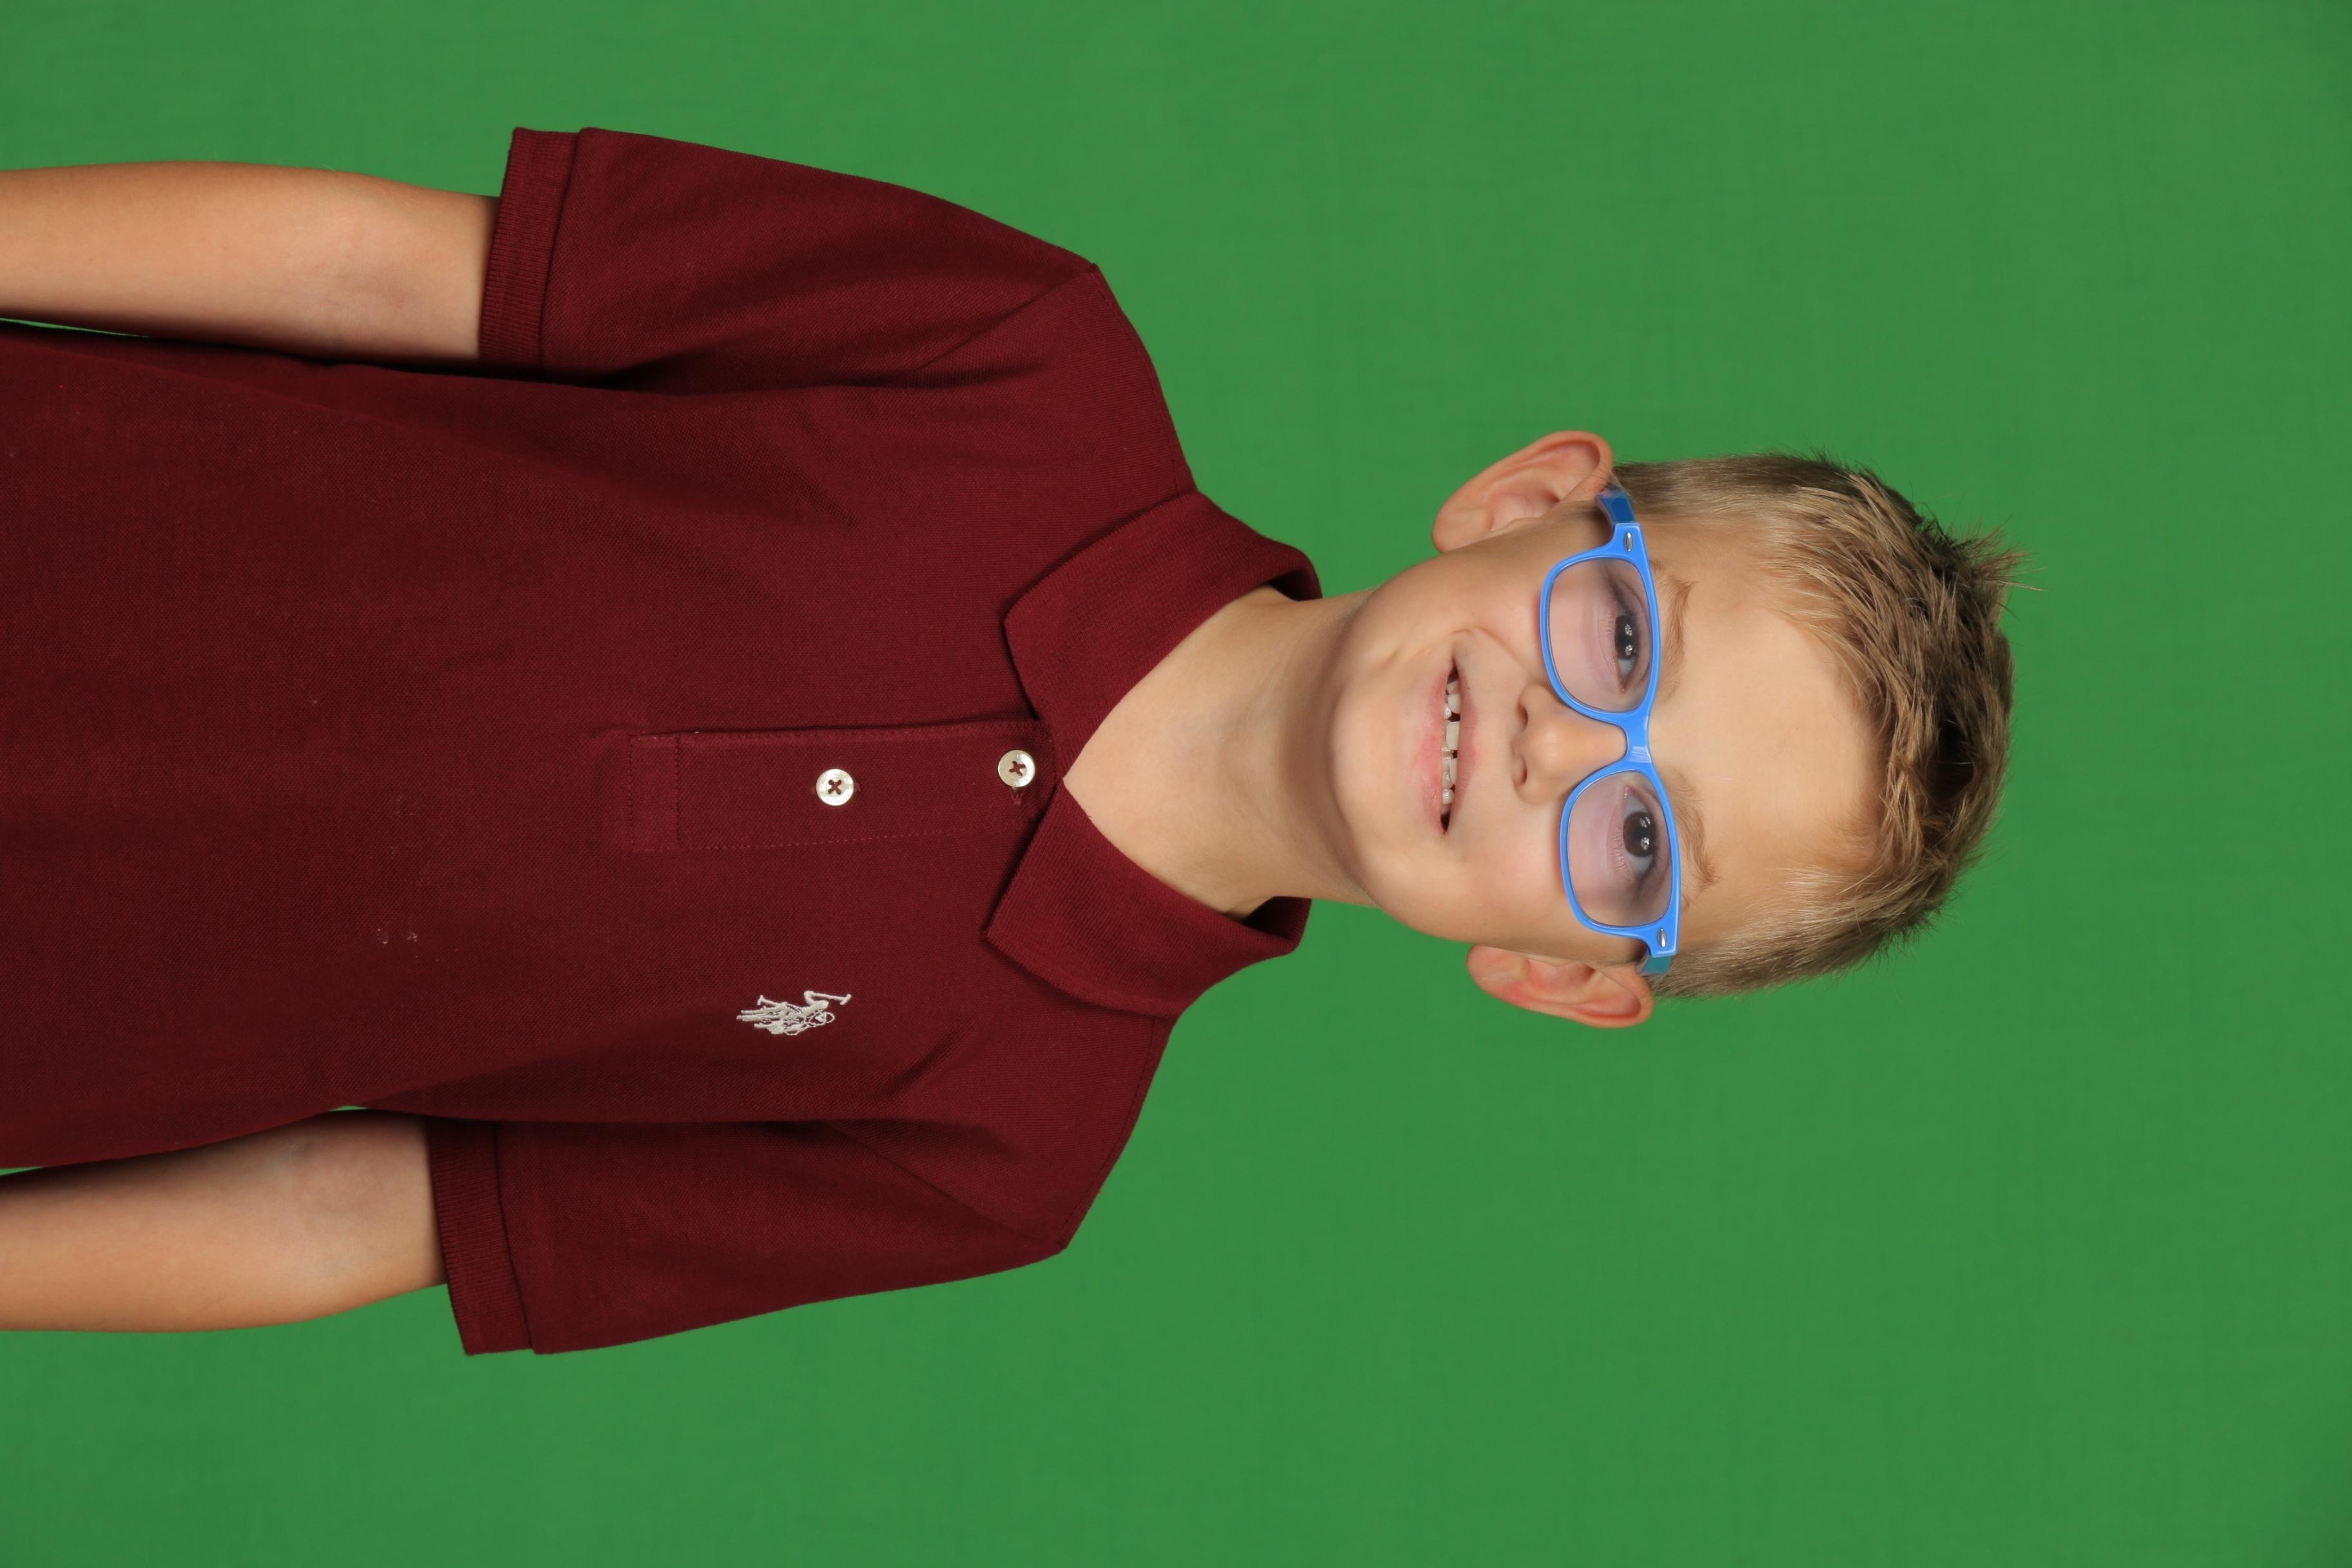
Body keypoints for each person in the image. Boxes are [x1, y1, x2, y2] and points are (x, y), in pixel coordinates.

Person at [0, 126, 2018, 1353]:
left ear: (1565, 971)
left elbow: (351, 1212)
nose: (1565, 746)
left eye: (1642, 843)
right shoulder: (1016, 348)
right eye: (1622, 634)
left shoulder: (996, 1159)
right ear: (1528, 498)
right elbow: (369, 270)